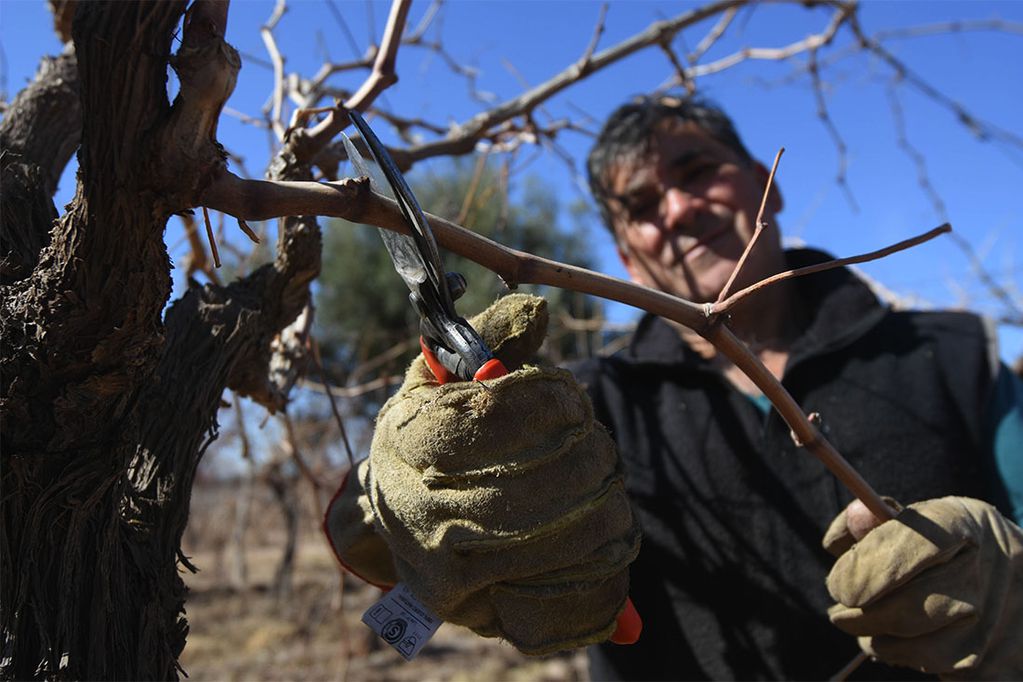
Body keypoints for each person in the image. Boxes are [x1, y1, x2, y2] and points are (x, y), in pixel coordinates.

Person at [325, 95, 1023, 680]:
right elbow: (372, 552)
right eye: (641, 204)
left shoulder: (954, 354)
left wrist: (1011, 590)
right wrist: (400, 492)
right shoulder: (577, 406)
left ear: (763, 183)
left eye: (698, 172)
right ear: (627, 254)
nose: (679, 209)